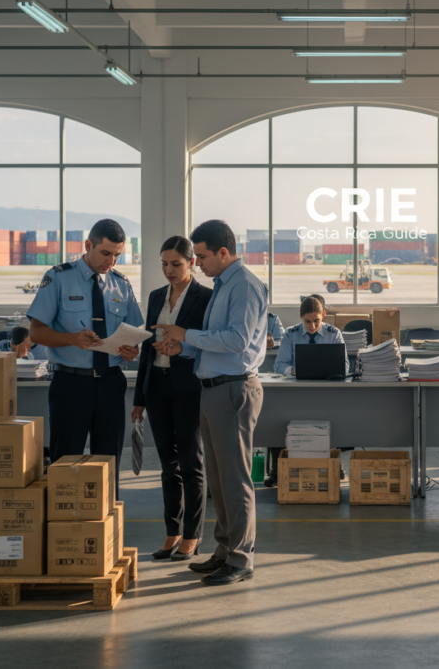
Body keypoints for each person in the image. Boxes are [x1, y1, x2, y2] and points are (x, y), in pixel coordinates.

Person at [154, 219, 267, 587]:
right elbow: (213, 339)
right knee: (218, 480)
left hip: (233, 390)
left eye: (201, 256)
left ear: (223, 252)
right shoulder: (223, 285)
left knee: (235, 480)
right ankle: (223, 550)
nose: (197, 263)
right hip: (214, 388)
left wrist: (187, 334)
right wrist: (181, 346)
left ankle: (241, 557)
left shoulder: (245, 286)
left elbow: (236, 341)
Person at [26, 219, 143, 498]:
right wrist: (72, 339)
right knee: (65, 463)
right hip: (71, 384)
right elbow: (37, 332)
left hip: (111, 384)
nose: (111, 261)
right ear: (88, 246)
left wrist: (132, 350)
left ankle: (105, 530)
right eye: (105, 253)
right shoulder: (58, 277)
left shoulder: (121, 284)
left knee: (108, 464)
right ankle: (64, 531)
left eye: (117, 255)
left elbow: (136, 333)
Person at [132, 236, 213, 562]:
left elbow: (208, 345)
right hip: (157, 388)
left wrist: (181, 350)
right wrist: (139, 397)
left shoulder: (206, 298)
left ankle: (193, 535)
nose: (168, 270)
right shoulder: (154, 297)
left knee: (191, 462)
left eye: (175, 264)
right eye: (164, 263)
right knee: (167, 464)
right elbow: (146, 354)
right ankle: (172, 532)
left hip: (189, 388)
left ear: (191, 263)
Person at [274, 296, 349, 378]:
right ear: (301, 317)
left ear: (323, 314)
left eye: (316, 320)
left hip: (327, 385)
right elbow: (278, 365)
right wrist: (293, 370)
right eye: (307, 321)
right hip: (298, 386)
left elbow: (345, 366)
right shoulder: (291, 334)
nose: (312, 326)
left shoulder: (334, 334)